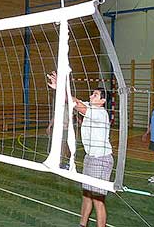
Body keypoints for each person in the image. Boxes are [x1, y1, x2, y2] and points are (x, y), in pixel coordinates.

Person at [47, 72, 113, 227]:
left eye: (95, 95)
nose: (91, 96)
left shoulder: (100, 113)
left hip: (101, 159)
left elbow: (77, 105)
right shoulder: (90, 106)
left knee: (98, 200)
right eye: (92, 93)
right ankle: (82, 224)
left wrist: (62, 86)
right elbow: (73, 101)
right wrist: (59, 88)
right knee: (86, 195)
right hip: (90, 158)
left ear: (103, 101)